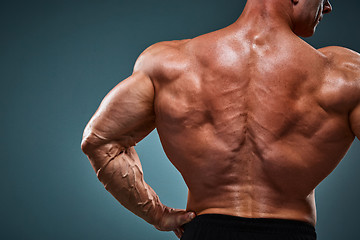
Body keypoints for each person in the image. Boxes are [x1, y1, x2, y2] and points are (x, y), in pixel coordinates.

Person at [81, 0, 360, 239]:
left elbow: (99, 141)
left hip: (205, 231)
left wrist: (157, 214)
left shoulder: (170, 63)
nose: (328, 6)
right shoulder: (344, 74)